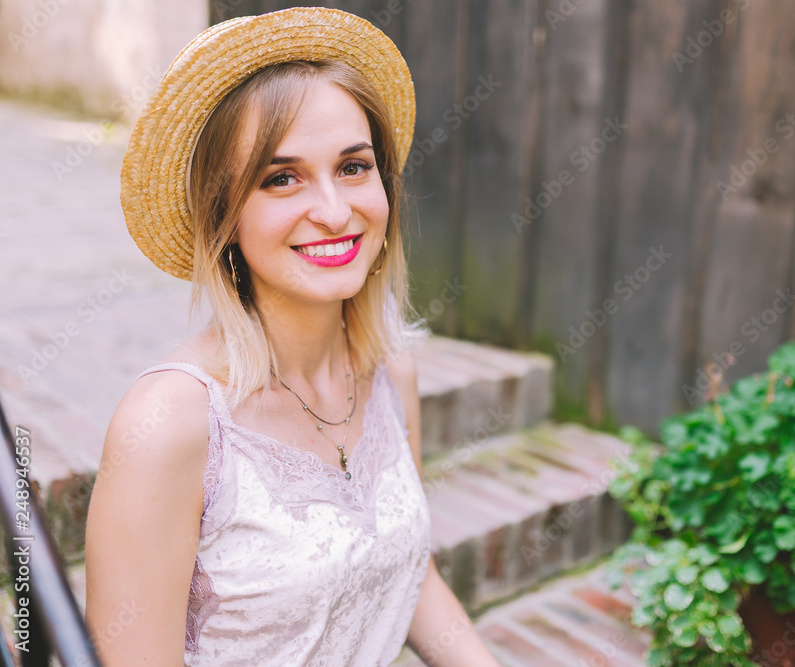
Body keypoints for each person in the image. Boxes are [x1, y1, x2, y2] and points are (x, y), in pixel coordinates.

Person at [84, 8, 501, 666]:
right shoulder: (172, 423)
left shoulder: (393, 368)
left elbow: (407, 569)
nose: (336, 211)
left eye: (354, 167)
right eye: (282, 178)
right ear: (222, 214)